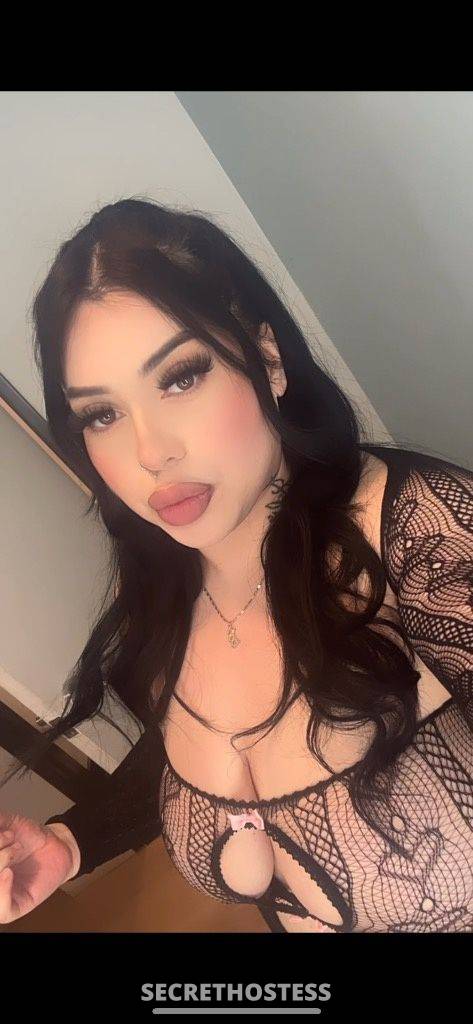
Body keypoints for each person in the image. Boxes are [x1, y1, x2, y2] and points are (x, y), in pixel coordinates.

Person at [0, 198, 471, 931]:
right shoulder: (168, 588)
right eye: (101, 414)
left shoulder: (420, 536)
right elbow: (192, 746)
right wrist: (73, 841)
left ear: (268, 360)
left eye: (180, 377)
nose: (150, 452)